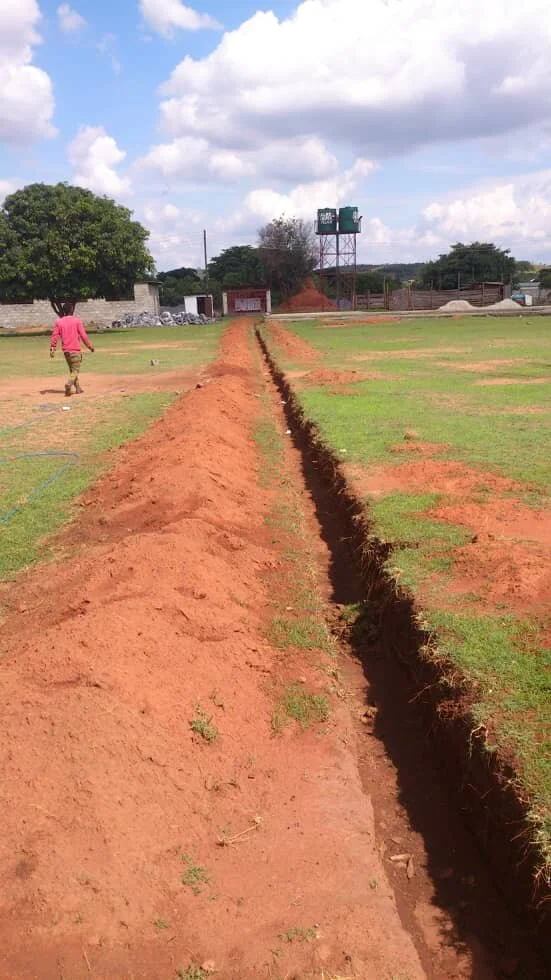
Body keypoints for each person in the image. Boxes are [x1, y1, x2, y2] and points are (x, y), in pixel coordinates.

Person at [50, 302, 94, 396]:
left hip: (66, 351)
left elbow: (54, 336)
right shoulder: (77, 321)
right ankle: (69, 384)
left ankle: (78, 388)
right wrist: (90, 346)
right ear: (72, 310)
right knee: (75, 370)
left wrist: (52, 348)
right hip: (75, 350)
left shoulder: (59, 322)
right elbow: (83, 335)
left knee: (72, 369)